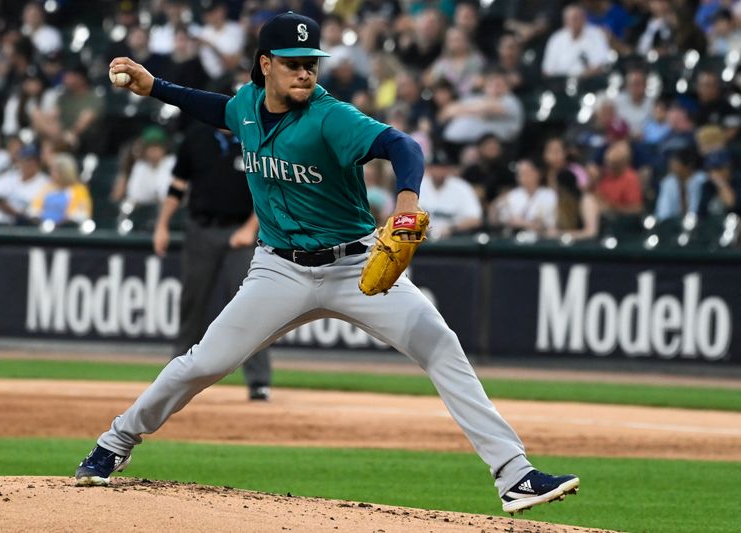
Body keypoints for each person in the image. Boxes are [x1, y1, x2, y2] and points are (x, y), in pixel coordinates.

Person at [74, 12, 579, 514]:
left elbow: (402, 146)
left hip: (353, 266)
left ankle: (516, 475)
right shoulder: (247, 106)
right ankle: (114, 443)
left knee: (440, 346)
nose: (305, 72)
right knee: (205, 362)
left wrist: (405, 205)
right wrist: (155, 86)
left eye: (311, 62)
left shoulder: (329, 116)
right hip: (279, 269)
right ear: (265, 64)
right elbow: (218, 109)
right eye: (293, 63)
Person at [153, 120, 272, 401]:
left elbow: (269, 190)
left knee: (249, 305)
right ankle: (174, 378)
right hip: (201, 229)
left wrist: (249, 228)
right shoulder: (196, 136)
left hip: (240, 232)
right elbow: (178, 185)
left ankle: (259, 381)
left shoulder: (256, 136)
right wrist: (162, 224)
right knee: (192, 302)